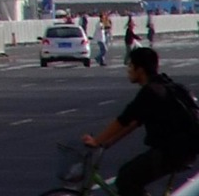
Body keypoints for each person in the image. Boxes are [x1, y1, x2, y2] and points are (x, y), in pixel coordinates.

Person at [83, 47, 199, 196]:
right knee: (130, 177)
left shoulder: (150, 92)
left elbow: (124, 120)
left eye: (131, 66)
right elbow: (134, 123)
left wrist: (96, 141)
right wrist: (107, 143)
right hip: (184, 149)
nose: (128, 70)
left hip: (172, 151)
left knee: (126, 179)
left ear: (140, 69)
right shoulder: (166, 85)